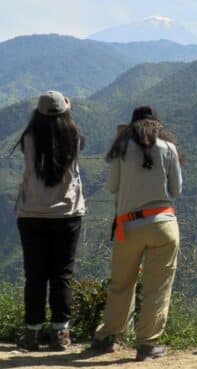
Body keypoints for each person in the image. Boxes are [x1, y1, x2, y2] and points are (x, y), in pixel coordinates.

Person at [90, 106, 183, 361]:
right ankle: (147, 345)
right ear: (157, 124)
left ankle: (108, 336)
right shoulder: (169, 148)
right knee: (157, 287)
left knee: (121, 284)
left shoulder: (122, 149)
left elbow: (111, 187)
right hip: (164, 224)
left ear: (132, 125)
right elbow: (177, 189)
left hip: (128, 226)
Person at [12, 91, 86, 351]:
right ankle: (60, 334)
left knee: (35, 275)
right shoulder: (74, 138)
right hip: (67, 214)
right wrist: (67, 109)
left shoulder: (29, 139)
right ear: (65, 112)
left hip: (31, 213)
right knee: (61, 274)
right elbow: (67, 125)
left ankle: (31, 333)